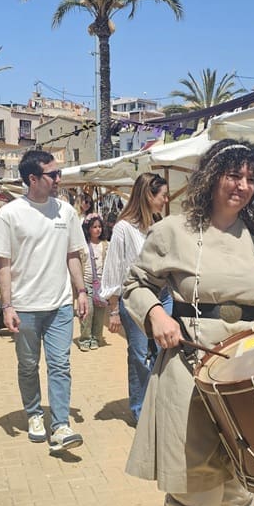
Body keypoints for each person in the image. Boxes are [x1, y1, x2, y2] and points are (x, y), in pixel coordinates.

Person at [122, 140, 254, 506]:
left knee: (239, 493)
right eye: (233, 174)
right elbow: (135, 285)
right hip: (191, 368)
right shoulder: (173, 230)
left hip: (248, 373)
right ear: (210, 176)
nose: (242, 185)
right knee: (197, 496)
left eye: (250, 178)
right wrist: (157, 315)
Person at [0, 149, 88, 454]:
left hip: (59, 306)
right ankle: (33, 414)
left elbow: (73, 254)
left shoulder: (66, 212)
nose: (59, 179)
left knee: (60, 365)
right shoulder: (9, 214)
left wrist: (81, 291)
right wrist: (6, 306)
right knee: (29, 365)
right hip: (25, 308)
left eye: (59, 173)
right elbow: (2, 263)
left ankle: (60, 425)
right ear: (33, 179)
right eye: (53, 174)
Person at [100, 173, 171, 423]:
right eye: (162, 195)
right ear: (149, 195)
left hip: (164, 296)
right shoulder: (123, 228)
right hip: (135, 298)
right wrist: (114, 308)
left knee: (164, 351)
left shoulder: (160, 223)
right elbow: (114, 269)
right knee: (140, 354)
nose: (166, 200)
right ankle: (141, 408)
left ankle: (159, 403)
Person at [77, 213, 109, 352]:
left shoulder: (106, 245)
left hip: (101, 284)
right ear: (88, 228)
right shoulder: (83, 245)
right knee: (87, 312)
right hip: (86, 284)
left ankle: (96, 337)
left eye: (99, 227)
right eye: (94, 227)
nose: (98, 229)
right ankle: (85, 338)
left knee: (100, 313)